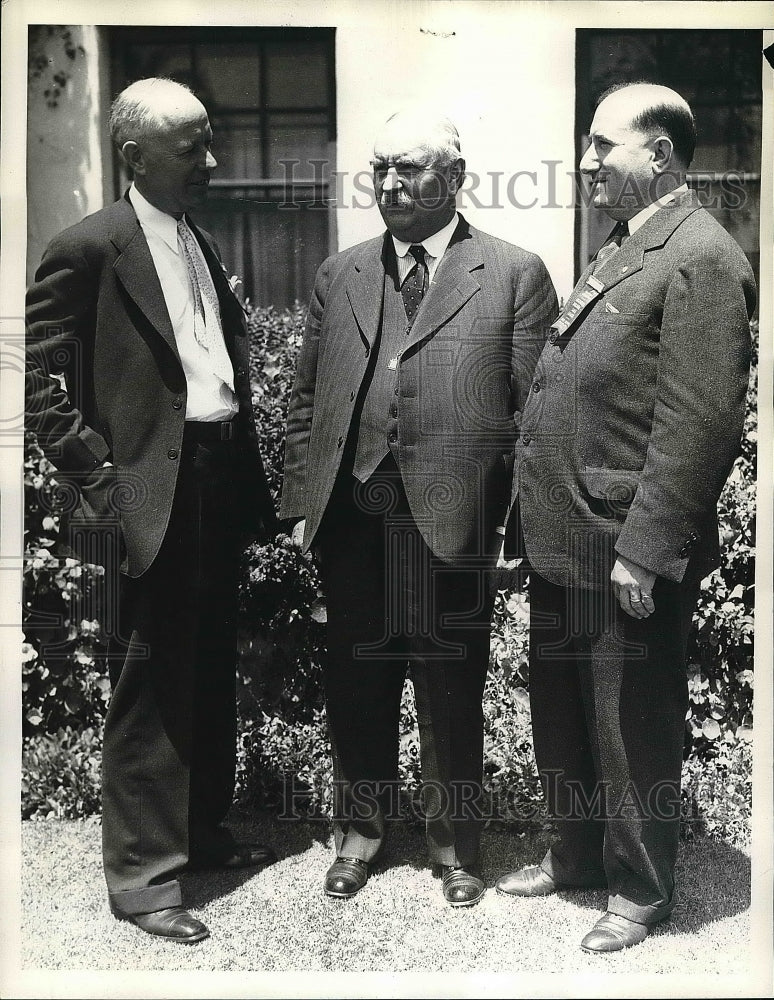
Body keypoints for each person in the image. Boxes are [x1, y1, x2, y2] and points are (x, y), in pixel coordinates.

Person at [497, 83, 755, 952]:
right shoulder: (629, 242)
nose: (584, 162)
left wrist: (646, 550)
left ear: (663, 157)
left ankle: (640, 889)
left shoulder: (704, 256)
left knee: (629, 719)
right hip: (565, 532)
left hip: (622, 543)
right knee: (565, 712)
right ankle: (574, 854)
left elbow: (701, 422)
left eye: (603, 146)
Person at [280, 109, 557, 906]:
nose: (391, 184)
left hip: (454, 522)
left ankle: (454, 849)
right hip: (352, 520)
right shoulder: (342, 274)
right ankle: (359, 834)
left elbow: (532, 418)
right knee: (357, 685)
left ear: (455, 177)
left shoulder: (512, 272)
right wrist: (304, 501)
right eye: (380, 168)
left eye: (410, 168)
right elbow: (306, 400)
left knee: (449, 684)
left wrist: (510, 530)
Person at [25, 78, 278, 944]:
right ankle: (143, 881)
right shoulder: (87, 248)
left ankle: (199, 833)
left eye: (212, 142)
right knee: (150, 685)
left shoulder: (195, 239)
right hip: (143, 494)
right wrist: (99, 477)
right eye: (192, 148)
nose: (212, 162)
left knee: (206, 667)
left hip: (214, 483)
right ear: (134, 157)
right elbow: (34, 381)